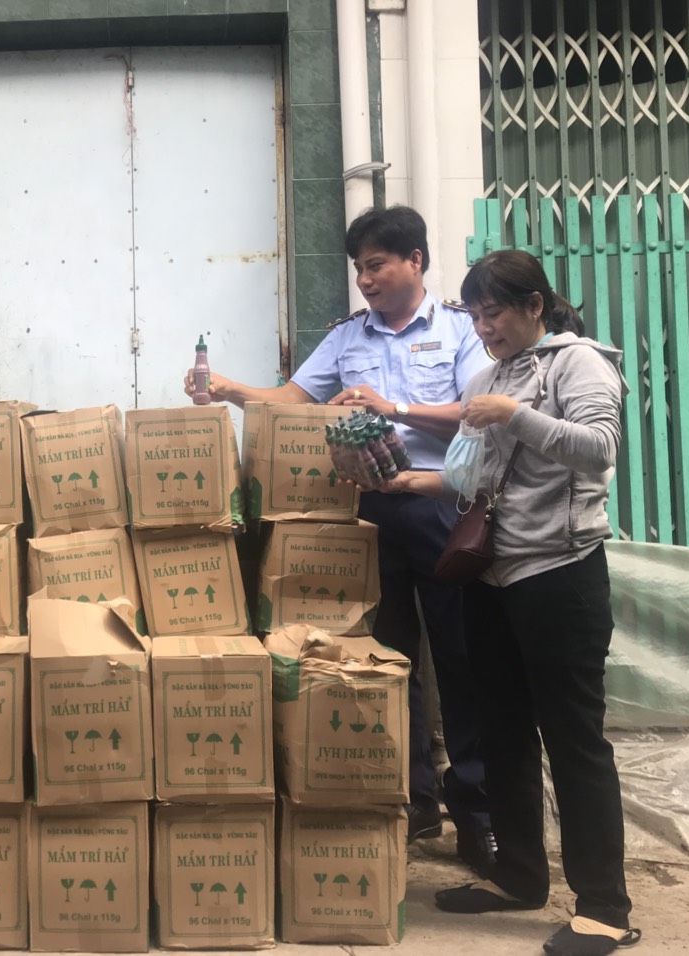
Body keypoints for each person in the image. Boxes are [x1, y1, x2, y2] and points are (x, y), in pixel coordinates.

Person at [188, 205, 496, 874]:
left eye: (376, 265)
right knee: (387, 657)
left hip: (441, 505)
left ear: (415, 260)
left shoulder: (458, 332)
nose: (366, 279)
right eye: (359, 268)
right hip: (369, 514)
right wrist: (229, 389)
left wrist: (394, 407)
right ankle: (413, 800)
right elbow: (293, 399)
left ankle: (478, 815)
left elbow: (475, 418)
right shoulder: (348, 337)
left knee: (460, 657)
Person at [381, 249, 638, 955]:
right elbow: (472, 478)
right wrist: (404, 481)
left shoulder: (578, 363)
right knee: (503, 730)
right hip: (491, 577)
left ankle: (604, 907)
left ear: (533, 306)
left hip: (560, 574)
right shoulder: (487, 377)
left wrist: (516, 416)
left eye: (493, 312)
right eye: (474, 315)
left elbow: (600, 447)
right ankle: (519, 876)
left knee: (574, 737)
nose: (483, 327)